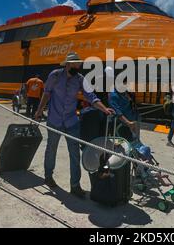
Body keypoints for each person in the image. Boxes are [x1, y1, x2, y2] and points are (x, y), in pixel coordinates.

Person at [34, 52, 115, 198]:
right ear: (68, 64)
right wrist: (39, 110)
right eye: (77, 64)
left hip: (71, 122)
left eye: (79, 64)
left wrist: (104, 109)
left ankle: (75, 185)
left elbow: (91, 97)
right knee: (51, 149)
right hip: (54, 119)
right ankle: (48, 176)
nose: (79, 66)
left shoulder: (80, 79)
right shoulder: (55, 75)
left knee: (75, 154)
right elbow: (46, 93)